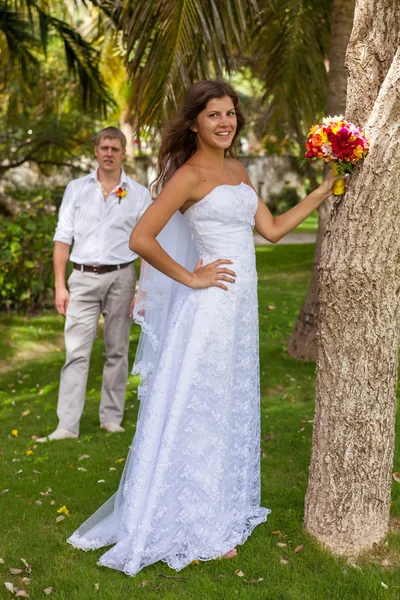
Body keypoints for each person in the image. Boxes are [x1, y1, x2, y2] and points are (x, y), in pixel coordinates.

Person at [67, 81, 340, 574]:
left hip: (242, 311)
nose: (225, 122)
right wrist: (192, 275)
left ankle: (217, 508)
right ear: (194, 123)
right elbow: (141, 237)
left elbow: (273, 231)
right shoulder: (188, 176)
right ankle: (190, 523)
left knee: (227, 405)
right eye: (213, 115)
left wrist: (322, 190)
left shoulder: (238, 170)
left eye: (231, 113)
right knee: (201, 406)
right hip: (210, 308)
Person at [37, 127, 152, 442]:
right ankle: (67, 425)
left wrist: (142, 289)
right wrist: (60, 286)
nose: (109, 153)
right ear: (96, 151)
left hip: (123, 277)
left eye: (115, 148)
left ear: (123, 153)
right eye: (104, 147)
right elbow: (63, 238)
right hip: (83, 278)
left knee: (117, 350)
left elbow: (146, 245)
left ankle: (111, 418)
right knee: (76, 352)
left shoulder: (139, 194)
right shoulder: (76, 189)